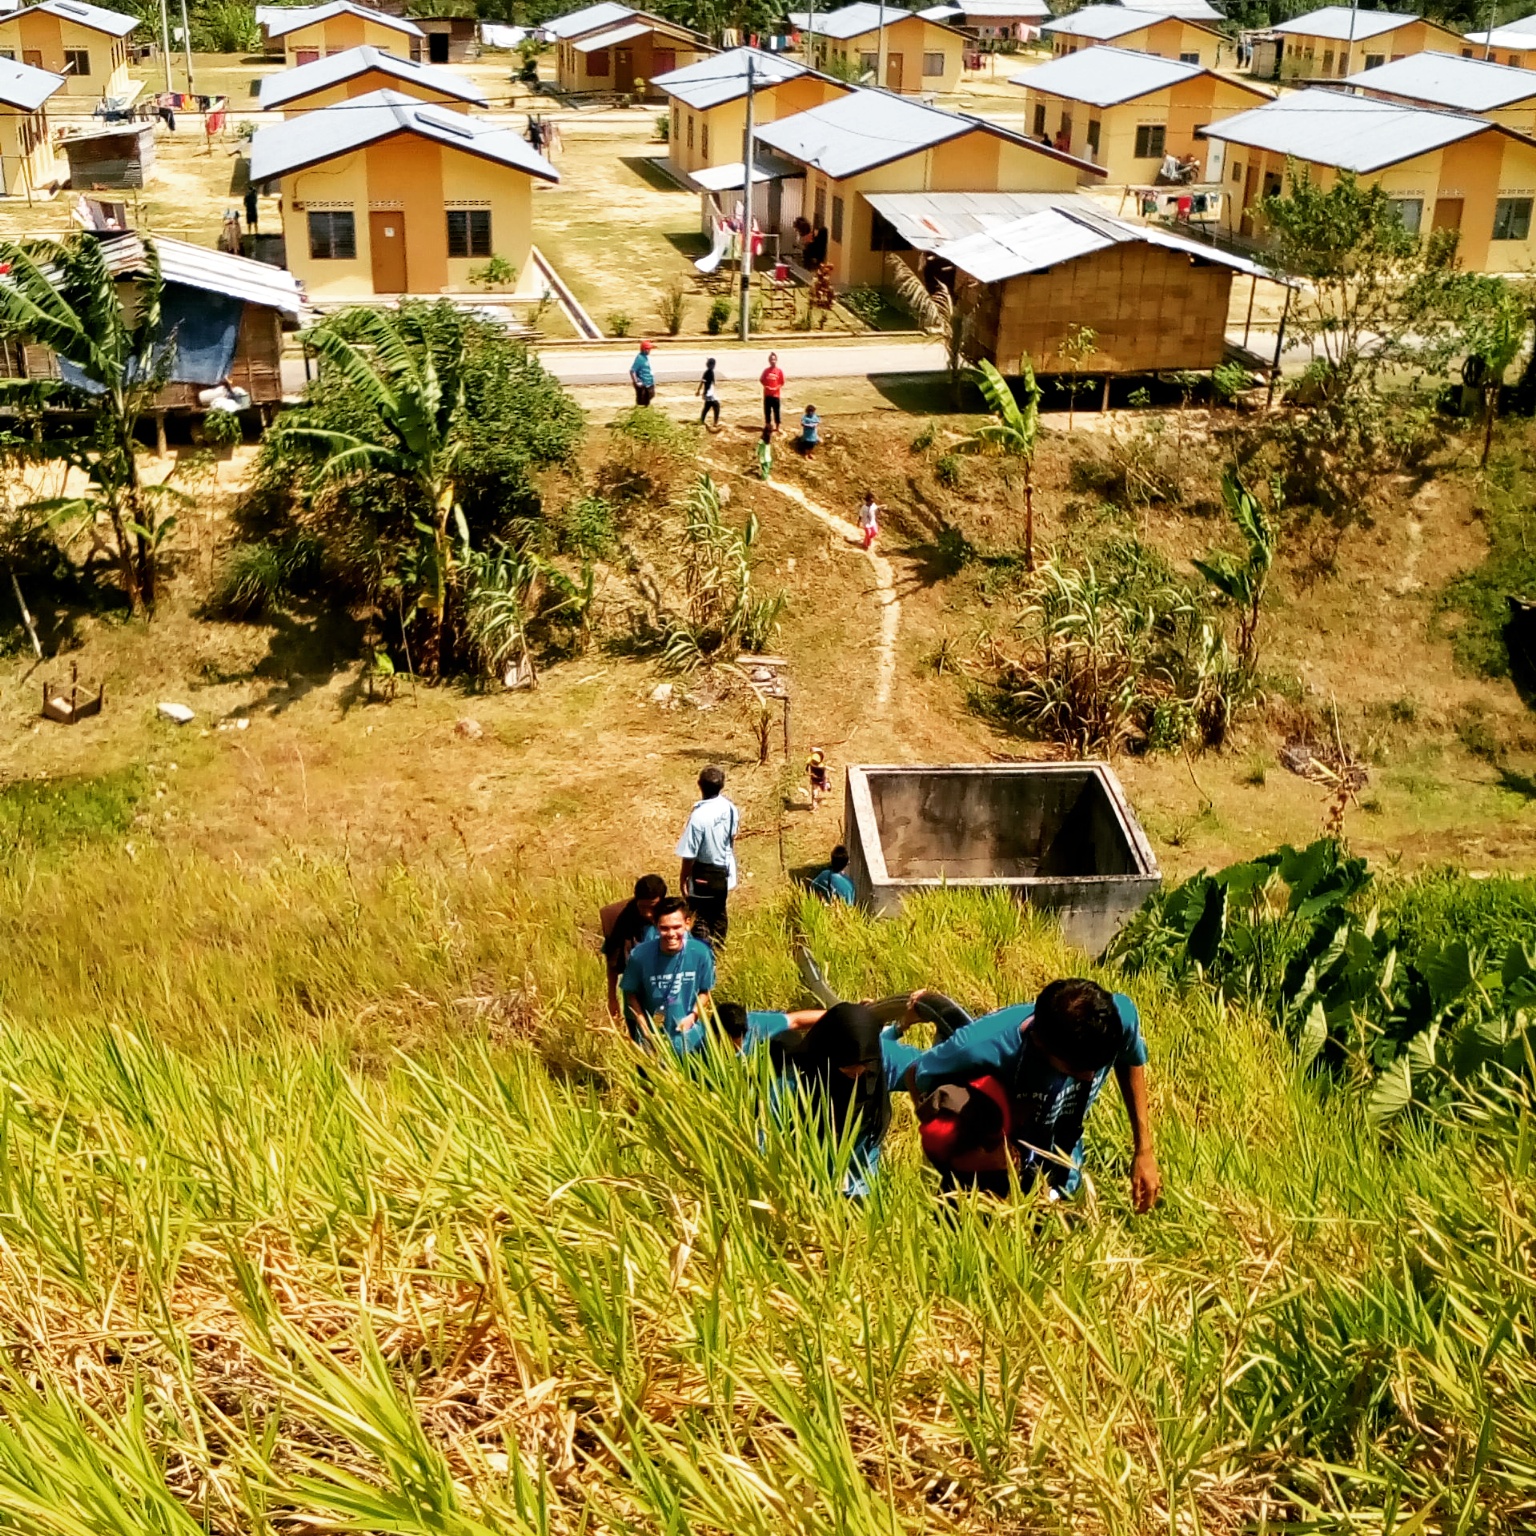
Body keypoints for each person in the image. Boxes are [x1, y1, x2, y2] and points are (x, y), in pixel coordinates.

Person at [901, 978, 1160, 1212]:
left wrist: (1144, 1151)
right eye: (1077, 1069)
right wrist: (968, 1148)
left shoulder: (1114, 1020)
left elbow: (1130, 1058)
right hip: (992, 1180)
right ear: (1040, 1043)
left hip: (1063, 1170)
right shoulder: (981, 1047)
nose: (1089, 1077)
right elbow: (916, 1075)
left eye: (1098, 1066)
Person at [770, 1003, 922, 1195]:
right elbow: (766, 1138)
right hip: (808, 1183)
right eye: (848, 1066)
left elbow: (931, 1067)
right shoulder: (795, 1079)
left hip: (862, 1178)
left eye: (864, 1066)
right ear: (829, 1054)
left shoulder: (881, 1058)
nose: (858, 1072)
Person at [620, 897, 715, 1054]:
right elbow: (630, 994)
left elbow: (705, 991)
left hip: (689, 1039)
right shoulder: (640, 955)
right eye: (664, 928)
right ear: (656, 926)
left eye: (676, 927)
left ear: (687, 923)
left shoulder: (701, 953)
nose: (671, 934)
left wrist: (693, 1016)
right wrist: (644, 1028)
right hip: (651, 1040)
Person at [676, 764, 739, 947]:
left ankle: (705, 954)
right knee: (719, 912)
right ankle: (720, 948)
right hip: (724, 872)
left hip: (703, 874)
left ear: (699, 784)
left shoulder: (699, 816)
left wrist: (683, 878)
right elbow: (732, 836)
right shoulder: (729, 808)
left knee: (700, 916)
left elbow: (689, 853)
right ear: (722, 785)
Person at [600, 873, 667, 1018]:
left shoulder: (671, 924)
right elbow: (612, 963)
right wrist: (612, 997)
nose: (648, 913)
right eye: (642, 907)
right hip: (635, 999)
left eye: (653, 907)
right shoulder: (621, 921)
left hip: (669, 999)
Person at [714, 1001, 826, 1052]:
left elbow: (795, 1020)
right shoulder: (699, 1041)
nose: (739, 1048)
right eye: (732, 1046)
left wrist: (836, 1016)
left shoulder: (756, 1025)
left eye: (741, 1042)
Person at [760, 351, 784, 433]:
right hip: (767, 394)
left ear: (776, 360)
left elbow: (782, 382)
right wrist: (766, 386)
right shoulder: (766, 371)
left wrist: (776, 388)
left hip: (776, 395)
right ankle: (768, 425)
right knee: (767, 411)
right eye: (771, 359)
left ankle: (777, 426)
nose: (772, 361)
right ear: (769, 361)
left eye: (774, 359)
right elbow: (762, 380)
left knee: (776, 411)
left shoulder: (779, 371)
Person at [630, 339, 655, 407]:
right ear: (644, 349)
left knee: (651, 395)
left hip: (648, 383)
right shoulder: (640, 358)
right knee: (642, 403)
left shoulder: (645, 357)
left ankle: (646, 410)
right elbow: (632, 371)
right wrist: (636, 382)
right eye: (649, 349)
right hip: (643, 384)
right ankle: (640, 413)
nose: (650, 351)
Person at [697, 357, 720, 428]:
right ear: (712, 365)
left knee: (707, 407)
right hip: (709, 393)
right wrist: (698, 390)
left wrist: (699, 391)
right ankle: (715, 423)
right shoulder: (708, 372)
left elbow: (703, 382)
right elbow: (703, 382)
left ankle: (701, 420)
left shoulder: (709, 372)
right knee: (716, 406)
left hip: (708, 393)